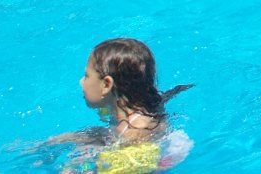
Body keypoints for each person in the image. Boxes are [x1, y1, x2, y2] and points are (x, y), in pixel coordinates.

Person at [44, 38, 193, 174]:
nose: (81, 82)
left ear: (106, 85)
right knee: (58, 140)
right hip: (122, 140)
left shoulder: (134, 134)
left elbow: (133, 167)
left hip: (149, 155)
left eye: (87, 76)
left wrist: (82, 168)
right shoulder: (123, 104)